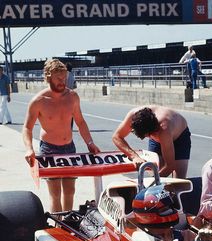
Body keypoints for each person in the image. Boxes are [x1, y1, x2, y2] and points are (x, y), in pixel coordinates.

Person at [23, 59, 100, 212]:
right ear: (48, 77)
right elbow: (27, 128)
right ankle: (59, 226)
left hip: (69, 149)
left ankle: (68, 223)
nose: (62, 82)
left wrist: (90, 143)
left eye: (64, 78)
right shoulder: (38, 101)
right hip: (49, 150)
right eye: (58, 78)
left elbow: (81, 122)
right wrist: (29, 149)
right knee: (55, 193)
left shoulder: (72, 97)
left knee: (70, 191)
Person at [112, 105, 191, 178]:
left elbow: (170, 166)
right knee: (155, 169)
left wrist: (152, 183)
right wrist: (134, 156)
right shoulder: (133, 116)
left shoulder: (163, 129)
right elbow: (117, 137)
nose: (152, 137)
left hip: (180, 136)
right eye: (148, 136)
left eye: (152, 135)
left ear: (154, 129)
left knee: (179, 181)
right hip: (160, 131)